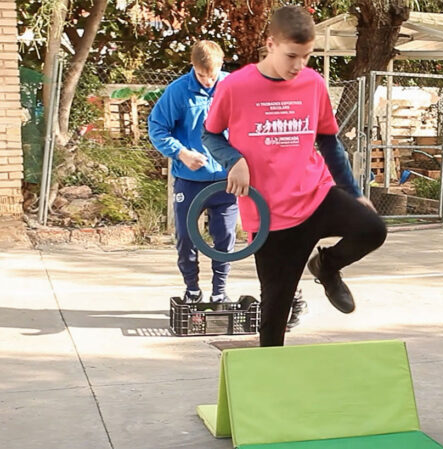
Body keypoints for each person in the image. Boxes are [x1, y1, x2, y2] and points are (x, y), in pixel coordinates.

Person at [202, 5, 387, 347]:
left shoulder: (312, 83)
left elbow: (328, 140)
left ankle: (326, 266)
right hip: (271, 216)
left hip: (315, 195)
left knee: (373, 229)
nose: (299, 65)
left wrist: (353, 191)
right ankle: (269, 394)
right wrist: (234, 159)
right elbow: (210, 135)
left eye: (307, 56)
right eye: (292, 56)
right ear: (271, 44)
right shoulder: (237, 87)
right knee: (274, 319)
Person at [148, 41, 237, 304]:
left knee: (225, 238)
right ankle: (192, 290)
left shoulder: (233, 87)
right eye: (201, 75)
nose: (208, 81)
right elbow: (157, 128)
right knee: (186, 238)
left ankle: (220, 291)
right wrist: (181, 153)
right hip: (190, 181)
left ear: (221, 66)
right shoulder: (177, 92)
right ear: (193, 67)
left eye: (213, 75)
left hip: (226, 180)